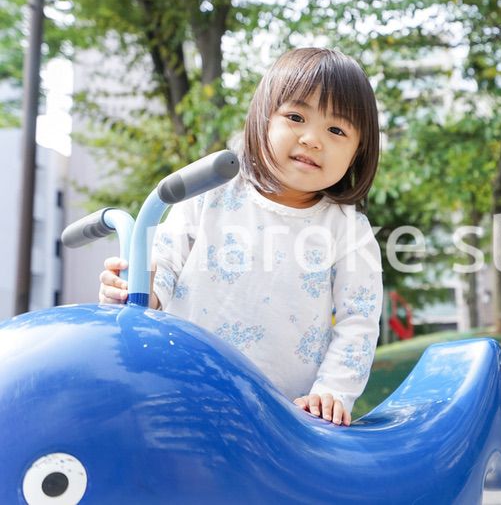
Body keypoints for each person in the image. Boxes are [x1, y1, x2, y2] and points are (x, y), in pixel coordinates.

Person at [98, 48, 383, 427]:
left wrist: (331, 391)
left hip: (283, 415)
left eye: (336, 130)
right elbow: (163, 260)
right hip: (182, 389)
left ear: (358, 151)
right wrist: (139, 289)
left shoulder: (347, 229)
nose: (313, 139)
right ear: (263, 120)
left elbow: (358, 320)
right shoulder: (212, 192)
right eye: (296, 117)